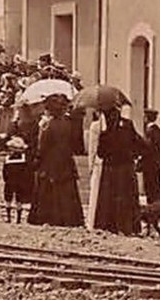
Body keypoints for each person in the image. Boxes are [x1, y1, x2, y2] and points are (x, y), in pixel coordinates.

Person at [28, 96, 84, 228]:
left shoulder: (47, 125)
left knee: (48, 190)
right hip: (65, 161)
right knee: (66, 190)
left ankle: (47, 217)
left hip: (50, 162)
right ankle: (70, 217)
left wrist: (37, 158)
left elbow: (42, 146)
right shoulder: (69, 123)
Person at [93, 104, 144, 235]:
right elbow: (139, 143)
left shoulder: (106, 132)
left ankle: (109, 225)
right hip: (126, 168)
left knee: (109, 198)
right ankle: (129, 226)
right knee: (126, 198)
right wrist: (134, 155)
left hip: (111, 169)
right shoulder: (128, 125)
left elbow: (100, 153)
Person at [140, 108, 160, 207]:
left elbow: (147, 149)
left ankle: (152, 211)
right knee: (157, 186)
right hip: (157, 164)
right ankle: (158, 207)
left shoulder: (150, 132)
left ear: (147, 118)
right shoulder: (159, 131)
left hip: (148, 164)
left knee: (150, 188)